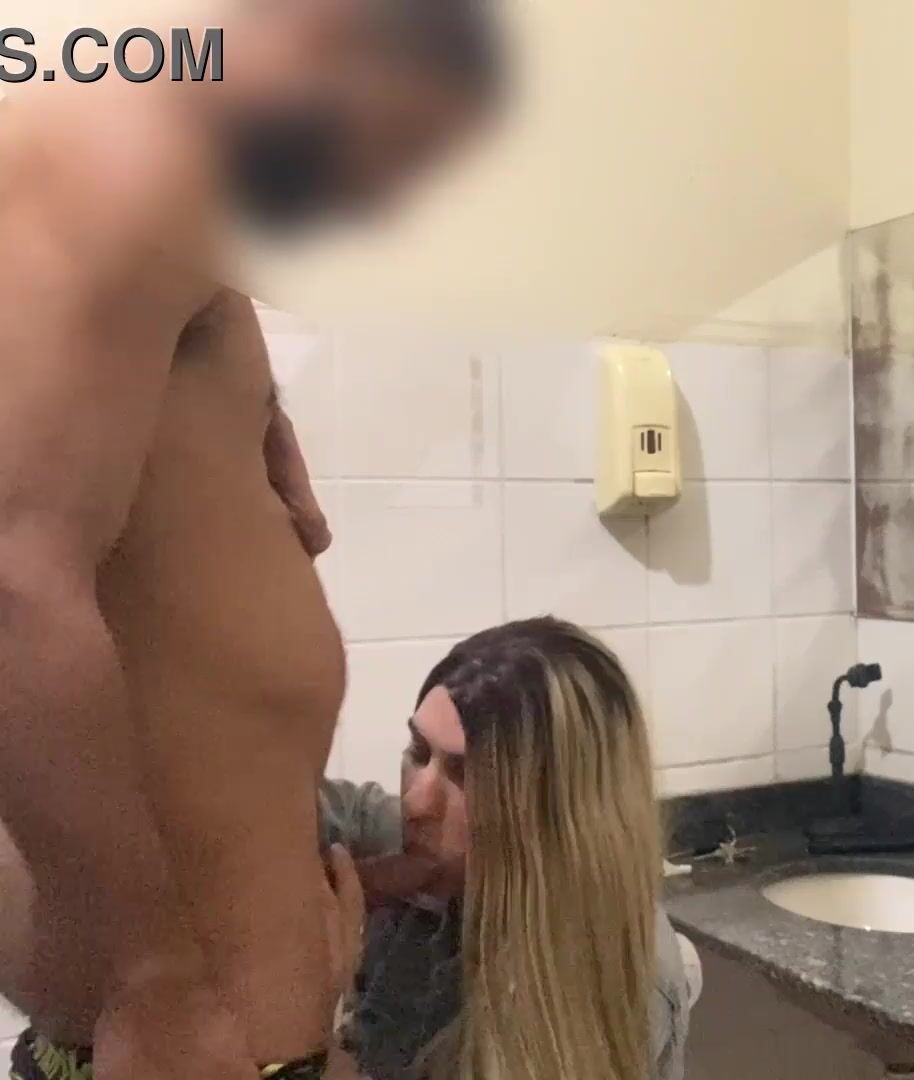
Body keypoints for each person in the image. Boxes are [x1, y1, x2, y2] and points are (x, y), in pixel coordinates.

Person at [0, 0, 503, 1077]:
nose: (379, 202)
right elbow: (12, 587)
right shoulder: (121, 171)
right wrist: (160, 985)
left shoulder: (175, 243)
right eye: (395, 148)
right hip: (181, 1047)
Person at [317, 617, 693, 1080]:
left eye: (464, 774)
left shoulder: (605, 984)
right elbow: (306, 810)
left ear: (555, 806)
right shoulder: (436, 851)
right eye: (418, 752)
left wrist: (312, 1014)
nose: (416, 801)